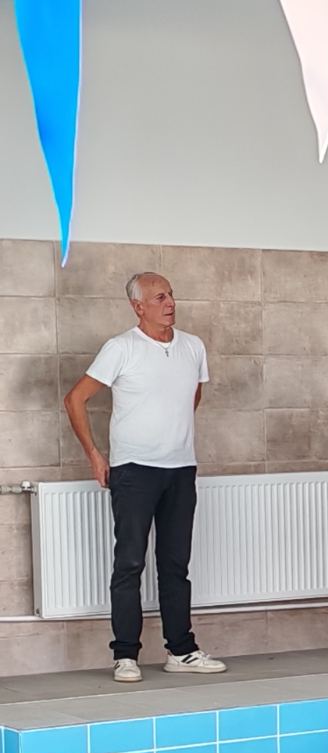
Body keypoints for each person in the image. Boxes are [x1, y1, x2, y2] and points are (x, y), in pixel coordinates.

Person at [63, 272, 227, 683]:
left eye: (171, 295)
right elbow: (75, 399)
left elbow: (191, 395)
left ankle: (181, 650)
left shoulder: (193, 346)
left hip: (181, 469)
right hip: (134, 471)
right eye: (158, 297)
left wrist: (171, 433)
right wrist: (95, 455)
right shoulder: (121, 348)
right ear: (138, 307)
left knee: (175, 564)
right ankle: (125, 655)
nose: (169, 303)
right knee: (130, 562)